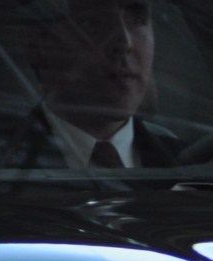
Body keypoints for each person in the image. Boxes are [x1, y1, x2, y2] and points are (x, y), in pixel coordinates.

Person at [25, 0, 178, 168]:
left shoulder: (189, 164)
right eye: (91, 22)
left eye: (137, 19)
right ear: (38, 46)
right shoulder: (6, 162)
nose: (125, 43)